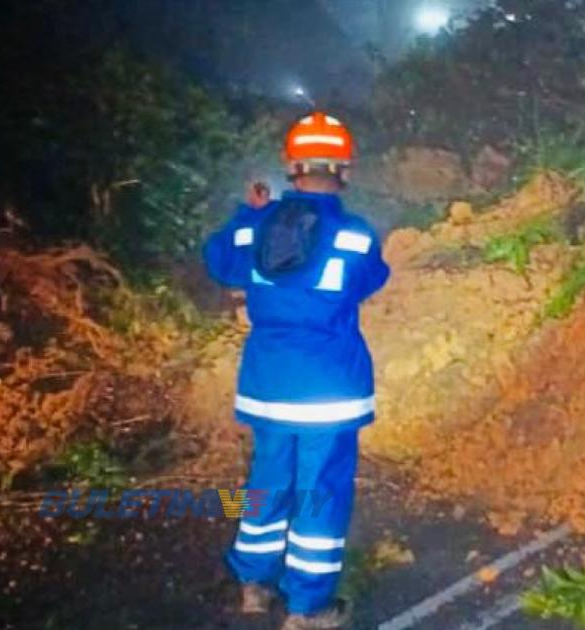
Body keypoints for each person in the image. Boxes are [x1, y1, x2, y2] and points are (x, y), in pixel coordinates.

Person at [203, 111, 390, 629]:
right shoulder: (355, 234)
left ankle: (252, 584)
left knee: (267, 480)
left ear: (291, 166)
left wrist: (248, 213)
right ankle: (307, 608)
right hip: (329, 388)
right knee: (321, 491)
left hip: (268, 383)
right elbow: (372, 278)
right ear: (345, 170)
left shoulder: (257, 226)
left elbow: (219, 261)